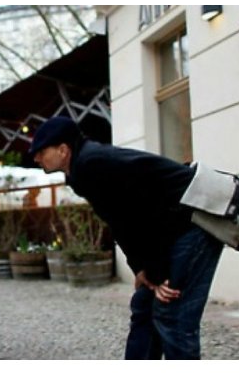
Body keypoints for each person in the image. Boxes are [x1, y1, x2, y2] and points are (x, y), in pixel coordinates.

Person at [29, 115, 224, 360]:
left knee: (172, 316)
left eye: (40, 151)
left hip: (195, 224)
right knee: (144, 305)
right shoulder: (82, 168)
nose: (36, 158)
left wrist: (156, 273)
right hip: (173, 227)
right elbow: (121, 221)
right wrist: (141, 269)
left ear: (63, 149)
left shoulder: (92, 164)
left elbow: (143, 215)